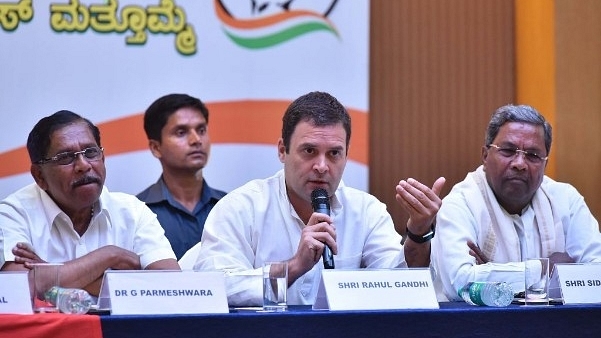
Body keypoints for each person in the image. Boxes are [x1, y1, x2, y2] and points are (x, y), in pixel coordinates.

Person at [194, 91, 446, 306]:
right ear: (283, 150)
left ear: (346, 155)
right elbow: (215, 289)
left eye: (334, 153)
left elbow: (401, 286)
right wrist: (292, 268)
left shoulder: (367, 211)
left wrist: (418, 233)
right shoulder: (241, 208)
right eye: (309, 151)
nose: (322, 166)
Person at [0, 110, 180, 296]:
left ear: (102, 158)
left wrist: (50, 276)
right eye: (65, 157)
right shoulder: (14, 213)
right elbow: (18, 289)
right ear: (39, 175)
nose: (84, 165)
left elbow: (171, 286)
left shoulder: (132, 211)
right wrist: (109, 255)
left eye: (91, 152)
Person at [432, 104, 601, 301]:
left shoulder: (566, 201)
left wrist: (492, 275)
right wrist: (544, 268)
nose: (519, 163)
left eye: (532, 155)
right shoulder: (460, 203)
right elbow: (461, 284)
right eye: (508, 150)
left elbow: (596, 273)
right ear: (485, 156)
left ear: (545, 164)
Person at [136, 94, 226, 260]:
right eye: (181, 132)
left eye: (201, 130)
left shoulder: (231, 206)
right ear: (156, 148)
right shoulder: (137, 213)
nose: (196, 140)